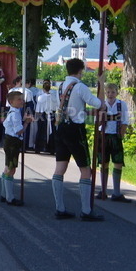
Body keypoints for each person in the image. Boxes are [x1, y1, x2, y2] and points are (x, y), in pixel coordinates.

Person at [51, 58, 104, 221]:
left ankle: (60, 207)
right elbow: (99, 104)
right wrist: (101, 84)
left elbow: (67, 108)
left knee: (60, 167)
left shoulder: (60, 87)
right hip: (75, 130)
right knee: (85, 169)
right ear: (80, 71)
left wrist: (83, 113)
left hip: (61, 128)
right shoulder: (80, 87)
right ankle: (86, 210)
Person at [97, 83, 132, 202]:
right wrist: (102, 117)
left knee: (118, 162)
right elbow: (97, 123)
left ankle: (116, 192)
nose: (110, 95)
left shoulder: (121, 104)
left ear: (117, 93)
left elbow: (125, 121)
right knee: (104, 163)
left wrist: (120, 135)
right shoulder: (102, 105)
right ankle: (103, 190)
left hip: (115, 136)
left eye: (112, 92)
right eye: (108, 92)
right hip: (104, 136)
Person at [0, 89, 35, 206]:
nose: (22, 101)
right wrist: (27, 123)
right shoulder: (15, 113)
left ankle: (4, 194)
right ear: (11, 102)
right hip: (13, 142)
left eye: (22, 99)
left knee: (7, 167)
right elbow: (19, 131)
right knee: (11, 168)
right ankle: (9, 197)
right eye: (19, 99)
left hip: (9, 141)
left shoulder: (13, 112)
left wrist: (23, 120)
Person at [35, 79, 58, 154]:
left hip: (42, 115)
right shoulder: (54, 97)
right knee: (52, 132)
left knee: (41, 131)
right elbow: (56, 107)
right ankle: (52, 149)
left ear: (43, 88)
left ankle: (39, 148)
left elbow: (38, 109)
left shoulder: (40, 97)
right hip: (52, 115)